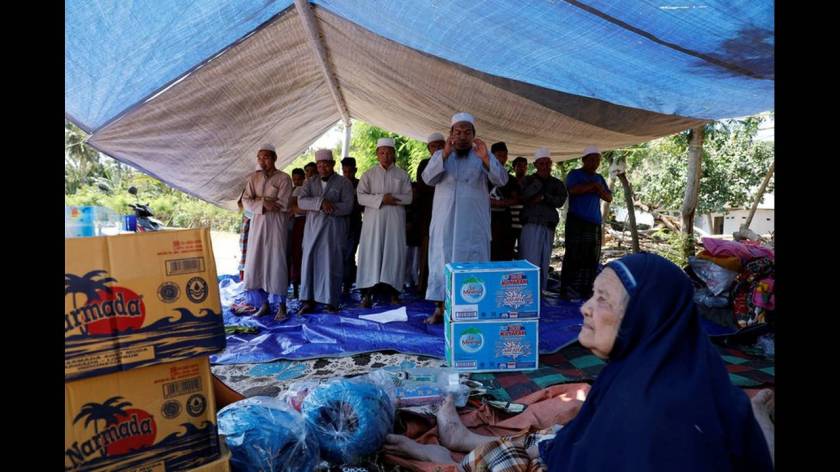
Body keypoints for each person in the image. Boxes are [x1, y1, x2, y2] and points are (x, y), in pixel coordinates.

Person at [383, 253, 775, 471]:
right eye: (592, 295)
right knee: (554, 437)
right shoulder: (659, 372)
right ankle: (463, 441)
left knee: (512, 463)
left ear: (645, 315)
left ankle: (452, 458)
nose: (585, 308)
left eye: (603, 299)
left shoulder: (652, 418)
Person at [421, 112, 508, 323]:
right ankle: (440, 310)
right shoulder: (441, 155)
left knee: (472, 263)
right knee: (441, 262)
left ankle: (472, 310)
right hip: (445, 223)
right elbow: (428, 179)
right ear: (451, 134)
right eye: (458, 132)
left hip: (472, 225)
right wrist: (444, 154)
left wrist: (486, 158)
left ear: (473, 135)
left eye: (467, 132)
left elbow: (502, 180)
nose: (462, 136)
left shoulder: (482, 155)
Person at [356, 138, 413, 307]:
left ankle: (394, 293)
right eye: (382, 153)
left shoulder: (402, 175)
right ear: (377, 154)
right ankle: (367, 294)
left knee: (393, 253)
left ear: (394, 154)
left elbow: (409, 198)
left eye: (389, 153)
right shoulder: (368, 174)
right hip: (373, 223)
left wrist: (391, 198)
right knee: (372, 253)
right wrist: (382, 199)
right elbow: (360, 197)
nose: (385, 156)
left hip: (395, 221)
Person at [297, 149, 356, 314]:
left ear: (333, 164)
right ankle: (308, 300)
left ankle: (331, 301)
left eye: (326, 164)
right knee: (309, 263)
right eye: (319, 165)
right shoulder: (309, 182)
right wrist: (320, 202)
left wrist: (331, 207)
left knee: (332, 264)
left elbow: (348, 206)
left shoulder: (344, 183)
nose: (322, 168)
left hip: (333, 232)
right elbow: (301, 202)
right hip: (312, 231)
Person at [239, 144, 293, 321]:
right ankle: (264, 305)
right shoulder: (253, 178)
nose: (262, 161)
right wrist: (264, 203)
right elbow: (246, 201)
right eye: (260, 158)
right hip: (258, 225)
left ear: (274, 158)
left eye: (266, 157)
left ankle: (282, 307)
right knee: (257, 262)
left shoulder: (284, 178)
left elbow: (283, 203)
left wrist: (259, 200)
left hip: (277, 226)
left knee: (277, 263)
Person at [559, 145, 612, 301]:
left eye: (598, 160)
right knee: (574, 255)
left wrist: (597, 187)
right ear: (584, 160)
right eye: (592, 159)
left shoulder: (599, 178)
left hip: (594, 222)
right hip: (577, 220)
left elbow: (608, 197)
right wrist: (593, 186)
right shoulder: (575, 174)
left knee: (591, 258)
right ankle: (567, 289)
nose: (595, 163)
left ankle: (587, 289)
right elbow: (572, 190)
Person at [519, 148, 567, 292]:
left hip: (548, 226)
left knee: (544, 262)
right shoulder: (527, 180)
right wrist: (537, 186)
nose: (545, 166)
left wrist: (544, 197)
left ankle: (541, 293)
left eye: (547, 163)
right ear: (535, 165)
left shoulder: (557, 183)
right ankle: (527, 293)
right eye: (541, 163)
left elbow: (560, 201)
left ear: (551, 163)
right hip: (531, 225)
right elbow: (523, 197)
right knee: (529, 260)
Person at [415, 132, 445, 296]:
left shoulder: (450, 161)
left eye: (441, 145)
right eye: (434, 146)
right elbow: (423, 185)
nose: (437, 148)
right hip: (428, 215)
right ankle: (424, 286)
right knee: (427, 251)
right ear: (429, 149)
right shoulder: (425, 164)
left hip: (447, 215)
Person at [488, 142, 520, 261]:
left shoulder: (511, 179)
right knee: (487, 253)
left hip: (505, 222)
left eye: (504, 156)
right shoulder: (483, 176)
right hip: (487, 220)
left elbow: (516, 199)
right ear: (492, 156)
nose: (502, 159)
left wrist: (499, 203)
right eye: (499, 156)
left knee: (505, 254)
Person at [341, 157, 363, 295]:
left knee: (349, 255)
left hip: (354, 225)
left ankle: (347, 285)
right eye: (345, 172)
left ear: (355, 170)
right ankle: (342, 282)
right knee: (340, 255)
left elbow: (363, 205)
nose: (347, 174)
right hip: (340, 226)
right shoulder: (339, 184)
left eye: (350, 171)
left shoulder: (360, 185)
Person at [288, 168, 307, 299]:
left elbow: (293, 206)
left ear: (304, 178)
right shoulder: (295, 189)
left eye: (299, 179)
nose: (296, 181)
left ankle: (297, 287)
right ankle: (297, 287)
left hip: (301, 223)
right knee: (297, 255)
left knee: (297, 255)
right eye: (294, 179)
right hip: (297, 223)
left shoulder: (301, 190)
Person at [509, 156, 528, 258]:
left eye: (524, 166)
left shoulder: (530, 182)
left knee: (524, 252)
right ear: (514, 168)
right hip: (510, 223)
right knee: (508, 251)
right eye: (519, 166)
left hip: (525, 224)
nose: (522, 168)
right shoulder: (509, 182)